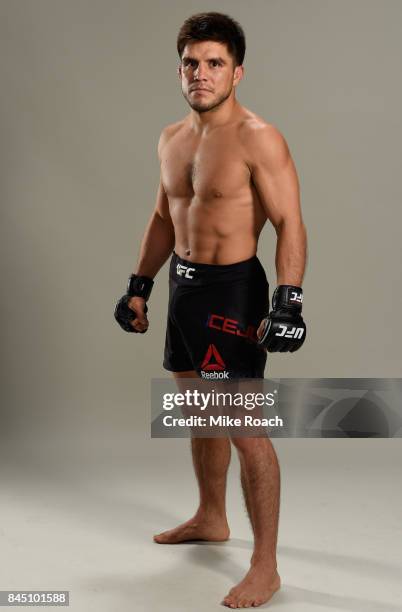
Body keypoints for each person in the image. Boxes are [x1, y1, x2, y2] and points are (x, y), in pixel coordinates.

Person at [115, 12, 307, 609]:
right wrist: (139, 284)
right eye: (191, 64)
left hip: (234, 292)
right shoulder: (171, 137)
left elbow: (289, 222)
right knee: (196, 408)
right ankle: (210, 515)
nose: (201, 74)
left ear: (237, 72)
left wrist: (289, 298)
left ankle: (266, 565)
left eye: (214, 63)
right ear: (180, 71)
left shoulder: (259, 137)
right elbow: (162, 217)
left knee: (246, 428)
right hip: (184, 286)